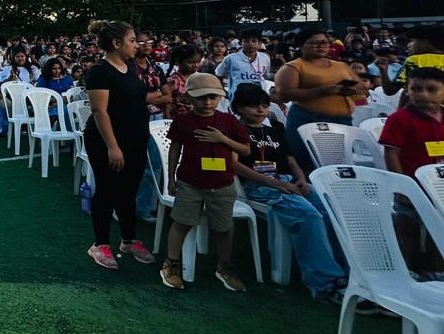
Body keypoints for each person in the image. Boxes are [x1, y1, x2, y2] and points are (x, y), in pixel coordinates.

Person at [230, 84, 349, 304]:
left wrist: (302, 180)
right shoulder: (235, 130)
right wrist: (273, 182)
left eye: (264, 106)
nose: (260, 110)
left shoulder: (275, 128)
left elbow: (291, 160)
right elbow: (234, 165)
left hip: (290, 181)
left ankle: (347, 274)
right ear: (238, 107)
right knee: (308, 216)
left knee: (330, 212)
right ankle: (324, 283)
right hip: (260, 186)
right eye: (253, 106)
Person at [159, 72, 250, 292]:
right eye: (201, 97)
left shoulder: (228, 121)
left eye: (213, 97)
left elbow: (246, 149)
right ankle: (171, 263)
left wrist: (223, 139)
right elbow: (175, 149)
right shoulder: (183, 120)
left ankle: (224, 266)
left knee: (224, 227)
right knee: (182, 222)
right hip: (190, 182)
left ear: (220, 97)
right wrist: (170, 177)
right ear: (189, 97)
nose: (208, 102)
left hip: (222, 183)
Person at [83, 20, 155, 269]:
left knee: (129, 190)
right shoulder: (99, 72)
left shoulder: (130, 66)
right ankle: (100, 244)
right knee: (107, 190)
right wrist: (113, 147)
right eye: (132, 40)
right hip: (107, 141)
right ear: (116, 43)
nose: (137, 45)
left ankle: (128, 239)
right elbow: (100, 111)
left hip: (135, 139)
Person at [378, 67, 444, 275]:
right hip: (412, 184)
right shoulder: (400, 118)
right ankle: (405, 270)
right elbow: (391, 153)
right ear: (407, 90)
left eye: (431, 89)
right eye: (416, 89)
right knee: (408, 227)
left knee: (440, 229)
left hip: (439, 185)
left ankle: (436, 271)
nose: (423, 94)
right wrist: (401, 186)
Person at [274, 30, 366, 172]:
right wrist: (322, 91)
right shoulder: (293, 67)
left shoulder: (341, 66)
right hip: (308, 119)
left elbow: (359, 86)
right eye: (314, 43)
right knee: (308, 163)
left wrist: (352, 89)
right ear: (300, 45)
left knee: (340, 165)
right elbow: (284, 94)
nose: (321, 46)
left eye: (324, 43)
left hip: (341, 121)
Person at [378, 25, 444, 99]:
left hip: (421, 107)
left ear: (425, 42)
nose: (408, 45)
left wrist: (383, 71)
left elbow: (390, 90)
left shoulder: (414, 60)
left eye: (412, 41)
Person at [216, 31, 272, 104]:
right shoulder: (231, 58)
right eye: (246, 41)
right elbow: (218, 74)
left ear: (260, 43)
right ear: (240, 43)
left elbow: (265, 75)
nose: (250, 43)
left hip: (259, 97)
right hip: (237, 98)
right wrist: (223, 90)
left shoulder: (265, 58)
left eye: (254, 41)